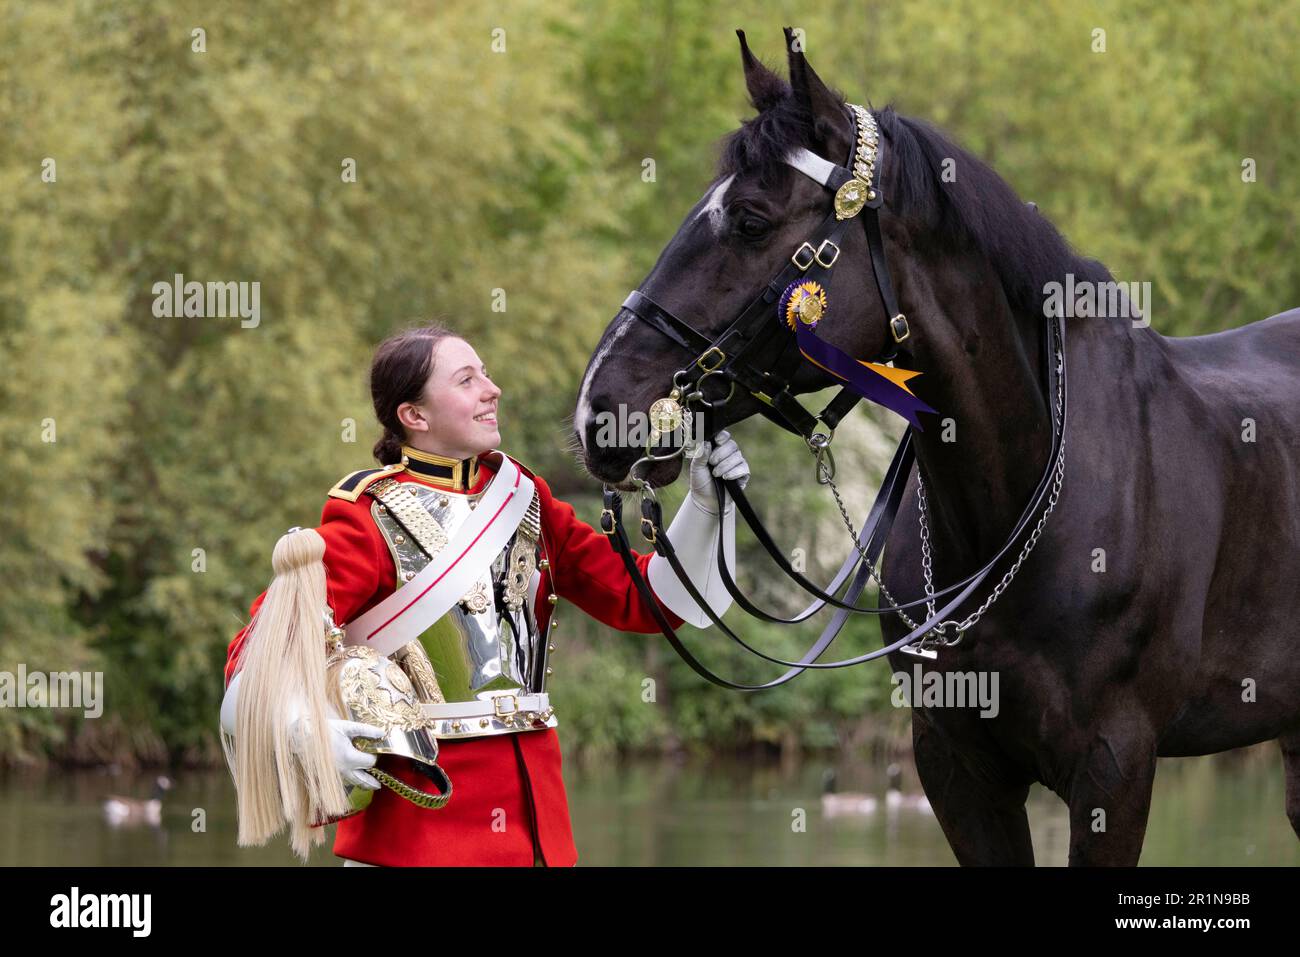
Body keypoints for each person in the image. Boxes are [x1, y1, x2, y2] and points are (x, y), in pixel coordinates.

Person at [218, 323, 749, 866]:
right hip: (421, 835)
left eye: (486, 375)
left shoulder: (524, 496)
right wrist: (306, 730)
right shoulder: (367, 516)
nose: (491, 389)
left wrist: (708, 506)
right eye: (466, 380)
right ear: (414, 416)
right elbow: (255, 656)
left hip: (538, 831)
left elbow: (648, 603)